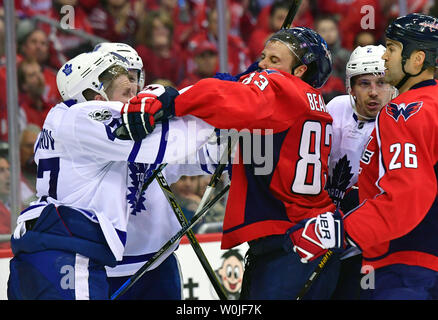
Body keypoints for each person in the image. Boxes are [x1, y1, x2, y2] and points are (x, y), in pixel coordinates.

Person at [117, 27, 340, 300]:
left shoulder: (280, 88)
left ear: (300, 71)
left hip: (291, 241)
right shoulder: (314, 103)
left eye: (273, 60)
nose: (262, 65)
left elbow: (227, 97)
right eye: (263, 57)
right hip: (316, 237)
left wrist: (172, 99)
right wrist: (244, 82)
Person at [7, 50, 214, 300]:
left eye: (135, 78)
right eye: (124, 85)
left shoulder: (65, 119)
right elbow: (175, 141)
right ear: (95, 95)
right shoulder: (86, 119)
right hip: (68, 255)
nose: (136, 90)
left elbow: (202, 154)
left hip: (69, 251)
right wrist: (216, 100)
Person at [288, 13, 438, 300]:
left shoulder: (403, 111)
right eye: (364, 83)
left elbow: (405, 196)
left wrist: (339, 231)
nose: (386, 58)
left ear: (417, 59)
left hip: (405, 263)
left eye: (392, 49)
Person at [325, 45, 395, 299]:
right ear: (351, 87)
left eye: (382, 82)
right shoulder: (336, 108)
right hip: (327, 230)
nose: (374, 92)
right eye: (364, 83)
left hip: (367, 242)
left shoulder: (397, 122)